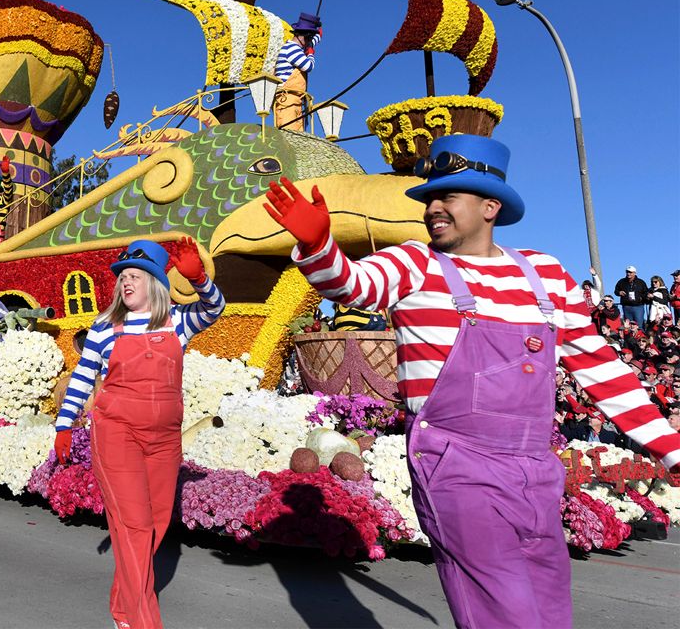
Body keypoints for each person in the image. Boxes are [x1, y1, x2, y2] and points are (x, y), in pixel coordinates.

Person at [262, 134, 680, 629]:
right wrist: (317, 246)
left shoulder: (545, 273)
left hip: (534, 467)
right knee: (504, 611)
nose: (433, 207)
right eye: (429, 197)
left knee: (548, 606)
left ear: (490, 206)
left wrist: (670, 446)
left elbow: (600, 367)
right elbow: (352, 284)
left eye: (448, 196)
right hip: (455, 462)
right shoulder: (413, 263)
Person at [53, 237, 225, 629]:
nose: (127, 282)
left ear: (155, 283)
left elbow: (216, 308)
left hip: (164, 440)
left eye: (136, 276)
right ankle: (145, 621)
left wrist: (199, 280)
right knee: (134, 526)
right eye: (123, 277)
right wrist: (65, 424)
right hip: (117, 435)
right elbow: (82, 376)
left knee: (157, 523)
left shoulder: (178, 322)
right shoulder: (103, 328)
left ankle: (122, 607)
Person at [272, 12, 322, 131]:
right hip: (287, 101)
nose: (309, 41)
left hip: (295, 101)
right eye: (308, 38)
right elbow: (308, 66)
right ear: (303, 36)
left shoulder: (294, 48)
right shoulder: (292, 49)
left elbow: (311, 43)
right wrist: (310, 54)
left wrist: (318, 35)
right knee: (289, 135)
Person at [614, 265, 649, 329]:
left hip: (638, 306)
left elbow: (646, 292)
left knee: (639, 325)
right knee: (628, 326)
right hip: (626, 306)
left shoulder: (641, 282)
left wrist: (641, 298)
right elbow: (616, 291)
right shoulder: (621, 282)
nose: (628, 273)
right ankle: (629, 338)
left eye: (630, 272)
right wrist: (619, 292)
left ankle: (640, 338)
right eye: (627, 272)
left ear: (635, 273)